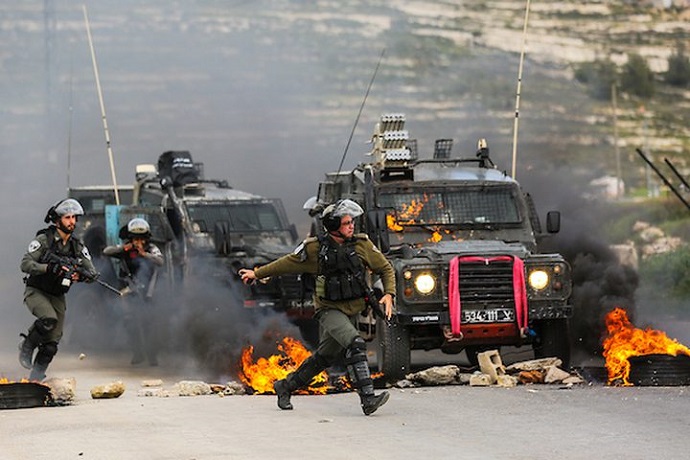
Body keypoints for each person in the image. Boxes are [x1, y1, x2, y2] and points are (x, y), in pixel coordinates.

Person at [240, 199, 395, 416]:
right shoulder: (314, 249)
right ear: (333, 226)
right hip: (329, 310)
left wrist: (389, 293)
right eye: (347, 223)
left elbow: (386, 268)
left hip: (352, 309)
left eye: (352, 222)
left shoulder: (362, 245)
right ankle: (368, 398)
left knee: (325, 357)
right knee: (355, 343)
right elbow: (286, 263)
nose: (352, 226)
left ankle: (285, 386)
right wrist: (257, 274)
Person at [19, 198, 98, 381]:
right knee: (48, 320)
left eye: (74, 217)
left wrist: (80, 276)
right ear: (57, 220)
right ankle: (26, 346)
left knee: (51, 345)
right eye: (67, 217)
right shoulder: (44, 240)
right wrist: (48, 268)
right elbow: (25, 264)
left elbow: (92, 273)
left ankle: (35, 379)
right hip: (36, 291)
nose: (72, 221)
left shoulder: (76, 246)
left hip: (57, 295)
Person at [103, 217, 164, 366]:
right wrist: (124, 249)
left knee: (149, 323)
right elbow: (107, 251)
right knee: (130, 321)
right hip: (129, 289)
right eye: (135, 239)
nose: (138, 242)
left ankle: (152, 355)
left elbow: (160, 261)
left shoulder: (152, 249)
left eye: (141, 239)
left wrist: (144, 254)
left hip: (149, 291)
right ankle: (137, 353)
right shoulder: (125, 249)